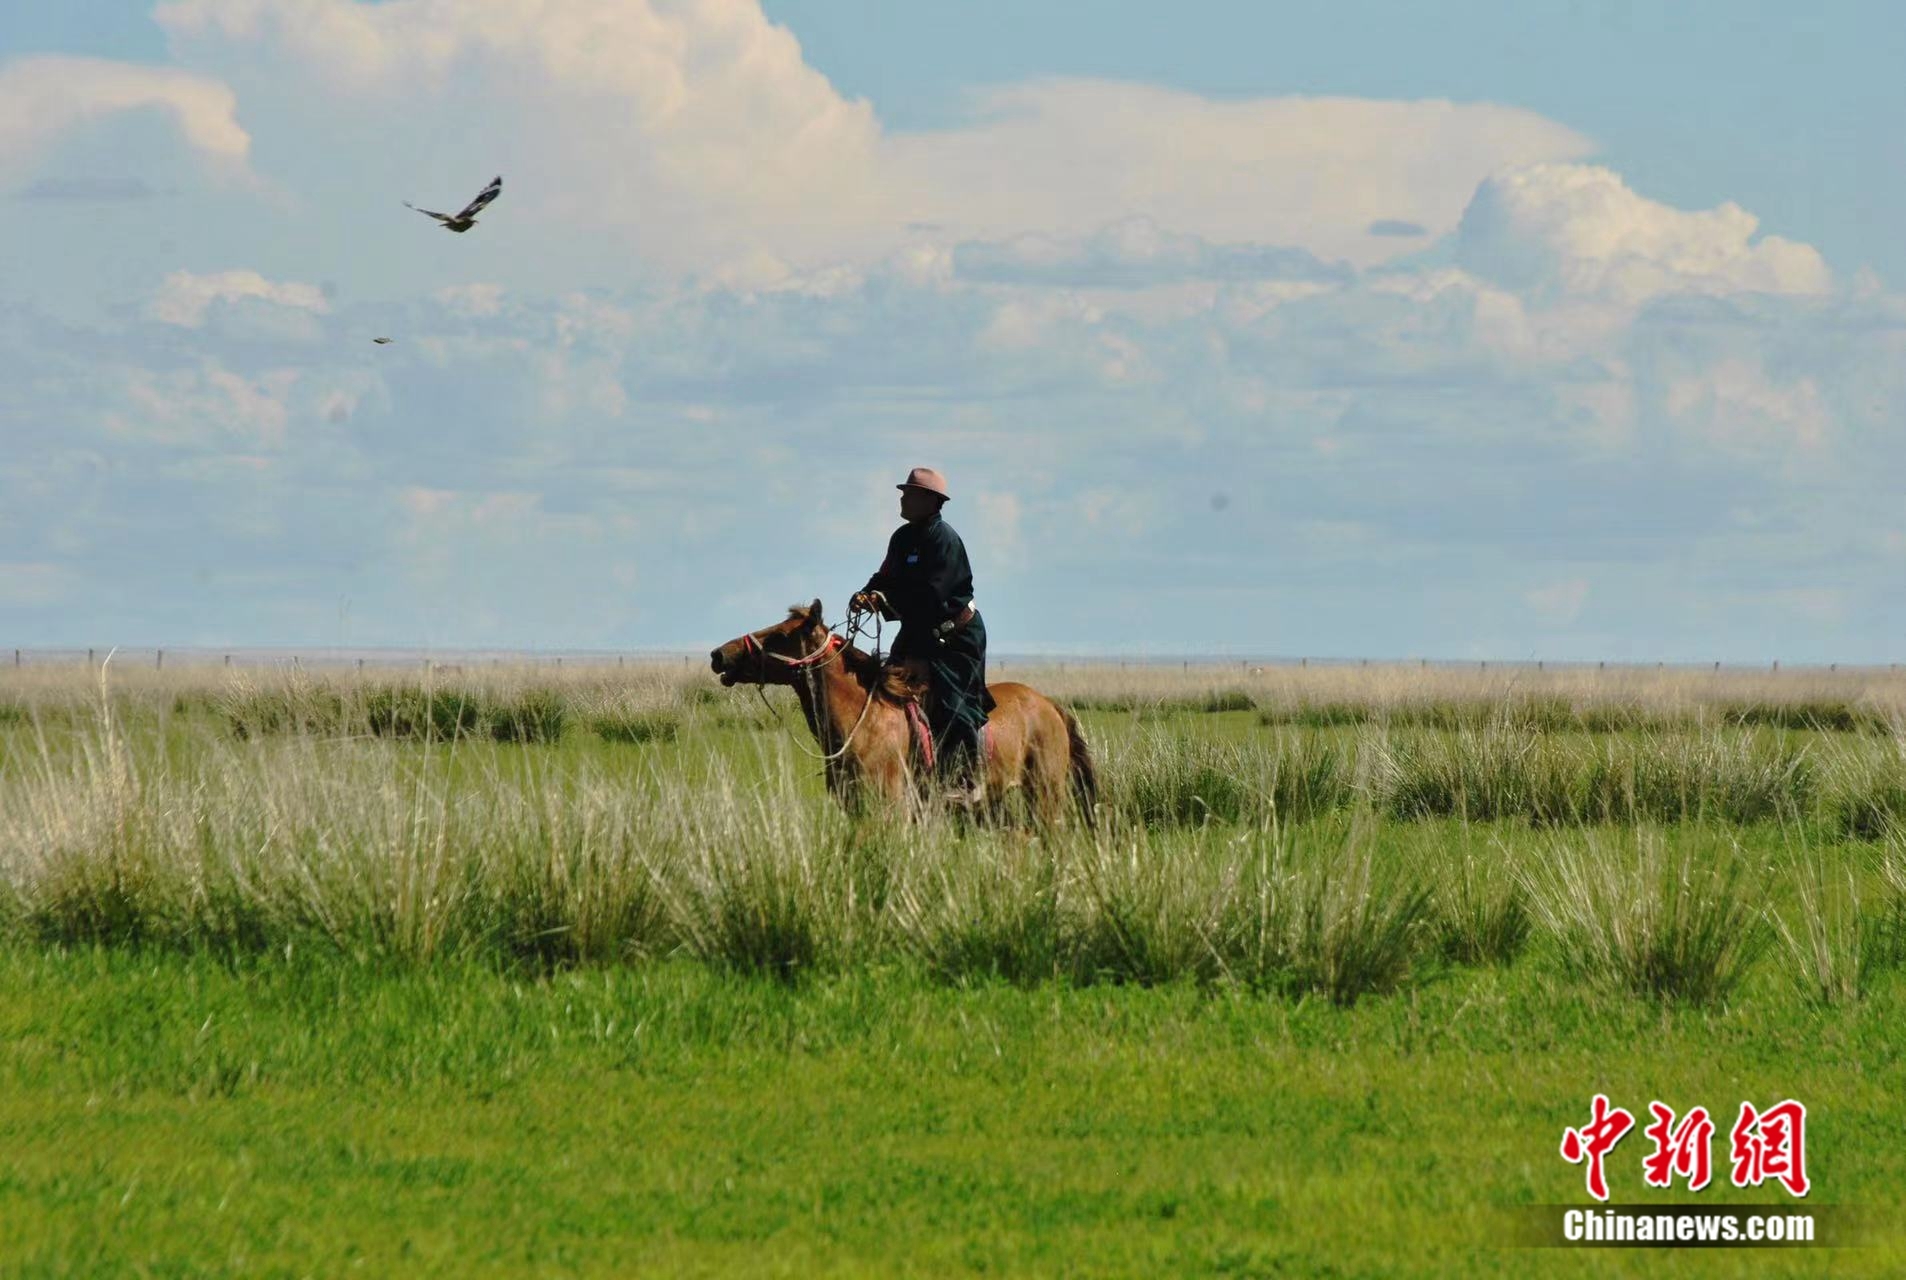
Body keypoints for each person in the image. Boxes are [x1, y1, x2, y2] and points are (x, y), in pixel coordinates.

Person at [851, 467, 994, 803]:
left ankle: (964, 778)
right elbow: (884, 576)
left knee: (952, 702)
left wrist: (885, 603)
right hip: (917, 632)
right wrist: (867, 593)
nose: (902, 497)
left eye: (909, 493)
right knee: (883, 687)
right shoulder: (901, 539)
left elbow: (933, 596)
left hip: (955, 636)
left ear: (930, 501)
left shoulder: (945, 540)